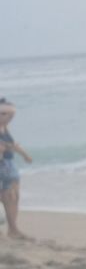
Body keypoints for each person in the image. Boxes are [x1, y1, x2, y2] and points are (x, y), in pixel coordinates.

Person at [0, 99, 32, 239]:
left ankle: (13, 229)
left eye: (12, 116)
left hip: (9, 163)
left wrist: (25, 155)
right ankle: (11, 229)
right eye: (7, 115)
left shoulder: (4, 127)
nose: (10, 118)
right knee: (7, 196)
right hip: (2, 164)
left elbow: (12, 144)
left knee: (14, 196)